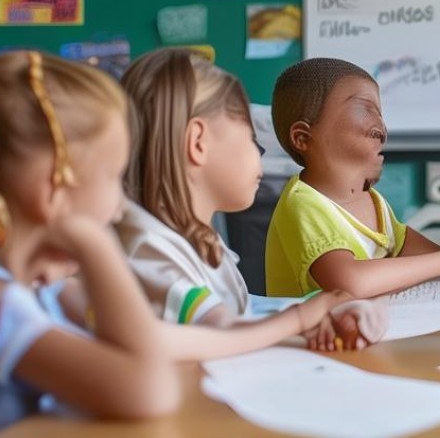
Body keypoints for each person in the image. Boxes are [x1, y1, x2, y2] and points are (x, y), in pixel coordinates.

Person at [0, 51, 178, 437]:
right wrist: (95, 243)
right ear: (54, 185)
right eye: (115, 176)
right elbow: (149, 390)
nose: (121, 206)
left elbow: (141, 346)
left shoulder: (33, 286)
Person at [118, 48, 385, 350]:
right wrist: (304, 315)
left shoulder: (198, 240)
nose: (259, 155)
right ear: (198, 143)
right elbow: (220, 329)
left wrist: (324, 307)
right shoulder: (148, 248)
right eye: (251, 140)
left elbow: (243, 310)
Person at [266, 58, 440, 298]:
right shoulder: (304, 204)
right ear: (302, 138)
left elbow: (409, 249)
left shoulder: (372, 199)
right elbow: (350, 282)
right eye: (366, 109)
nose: (381, 127)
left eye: (380, 112)